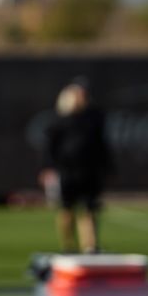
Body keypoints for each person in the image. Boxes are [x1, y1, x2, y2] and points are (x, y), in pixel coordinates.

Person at [40, 78, 111, 254]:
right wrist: (47, 168)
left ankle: (91, 245)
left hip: (89, 171)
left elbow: (101, 144)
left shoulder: (94, 117)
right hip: (67, 171)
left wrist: (107, 165)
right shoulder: (59, 120)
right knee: (66, 209)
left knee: (89, 209)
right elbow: (49, 147)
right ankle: (68, 245)